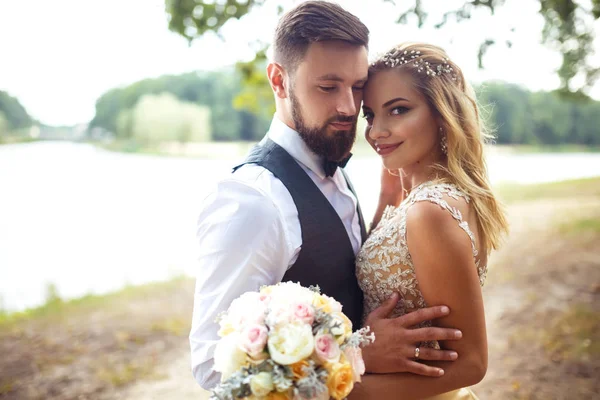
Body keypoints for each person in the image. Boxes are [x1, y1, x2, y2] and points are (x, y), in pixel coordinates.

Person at [189, 1, 464, 392]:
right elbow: (214, 366)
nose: (349, 107)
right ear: (279, 81)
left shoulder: (335, 167)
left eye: (356, 87)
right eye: (328, 87)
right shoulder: (251, 202)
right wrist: (357, 353)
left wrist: (387, 205)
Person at [348, 42, 509, 399]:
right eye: (371, 116)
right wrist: (389, 195)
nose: (376, 132)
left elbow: (471, 364)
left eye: (399, 110)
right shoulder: (431, 197)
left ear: (441, 114)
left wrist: (346, 390)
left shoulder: (430, 212)